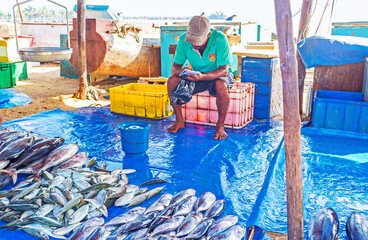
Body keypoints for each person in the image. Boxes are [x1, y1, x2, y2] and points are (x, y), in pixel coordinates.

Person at [167, 15, 235, 140]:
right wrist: (182, 71)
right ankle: (179, 121)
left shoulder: (220, 39)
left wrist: (204, 76)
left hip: (219, 75)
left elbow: (224, 70)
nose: (193, 43)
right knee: (172, 80)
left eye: (197, 40)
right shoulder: (183, 40)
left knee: (221, 85)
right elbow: (176, 66)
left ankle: (220, 126)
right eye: (191, 39)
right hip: (197, 75)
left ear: (208, 34)